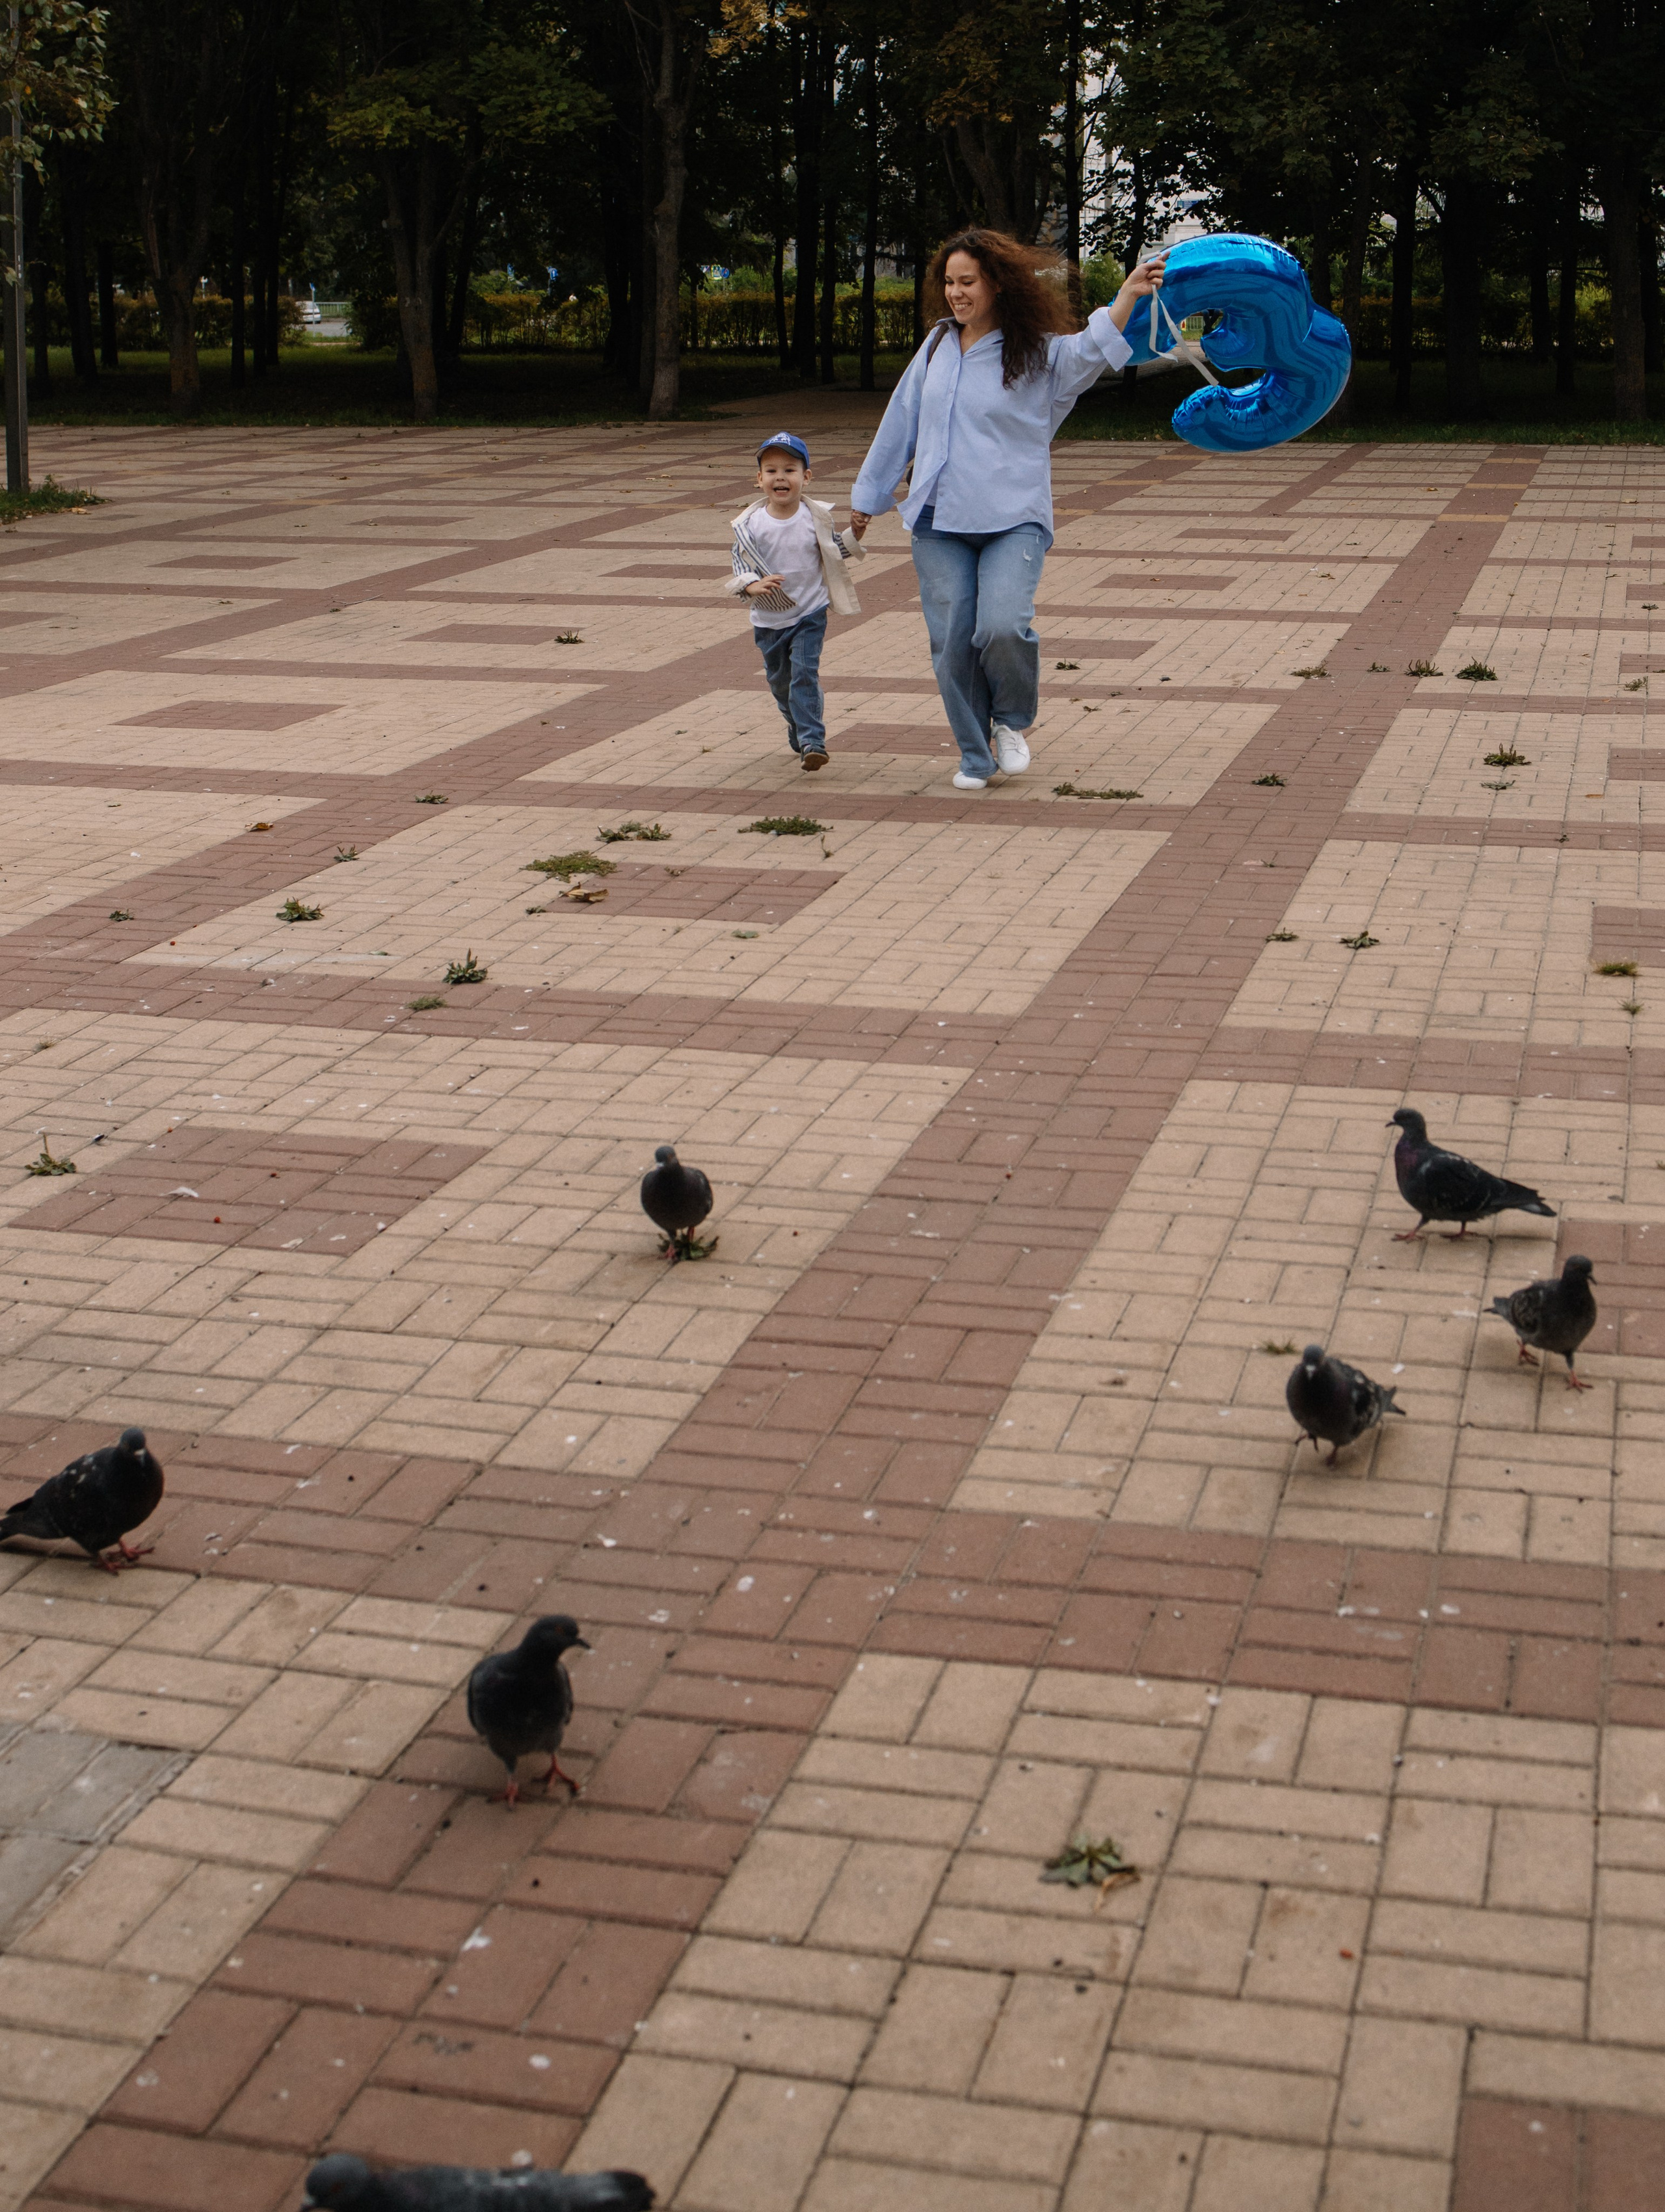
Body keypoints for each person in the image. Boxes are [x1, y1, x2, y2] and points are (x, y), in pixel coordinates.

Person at [849, 232, 1169, 790]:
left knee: (1000, 627)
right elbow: (899, 422)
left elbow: (1090, 349)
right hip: (936, 520)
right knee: (953, 643)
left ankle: (1012, 722)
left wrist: (1127, 296)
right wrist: (866, 501)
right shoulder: (936, 347)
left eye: (967, 282)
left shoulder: (1038, 353)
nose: (956, 293)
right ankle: (975, 755)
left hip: (1013, 518)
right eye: (948, 282)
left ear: (997, 283)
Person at [723, 431, 864, 772]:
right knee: (781, 683)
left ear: (806, 477)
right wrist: (751, 586)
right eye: (771, 471)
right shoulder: (750, 524)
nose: (780, 478)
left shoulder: (815, 517)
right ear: (759, 480)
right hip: (769, 620)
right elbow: (740, 564)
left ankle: (813, 741)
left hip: (809, 613)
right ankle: (796, 723)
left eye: (790, 470)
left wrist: (855, 533)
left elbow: (834, 552)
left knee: (804, 674)